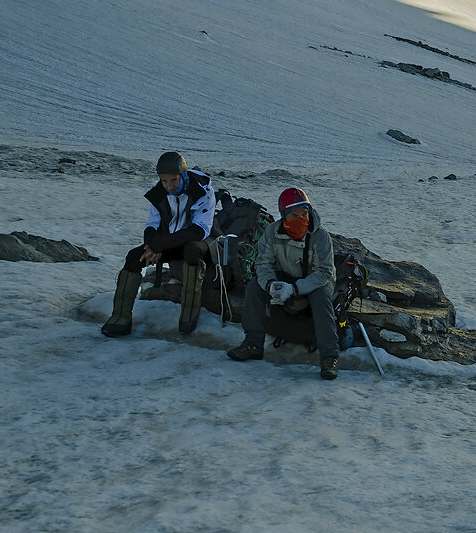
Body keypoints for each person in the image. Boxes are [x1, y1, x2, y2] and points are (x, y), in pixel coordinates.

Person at [226, 187, 340, 380]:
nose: (300, 219)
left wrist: (295, 289)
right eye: (294, 215)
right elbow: (262, 263)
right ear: (284, 216)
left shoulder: (320, 236)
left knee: (321, 296)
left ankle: (329, 356)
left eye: (304, 213)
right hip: (286, 275)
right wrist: (271, 284)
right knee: (255, 286)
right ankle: (253, 343)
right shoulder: (272, 232)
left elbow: (324, 273)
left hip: (317, 281)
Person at [101, 151, 217, 337]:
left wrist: (160, 245)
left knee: (191, 251)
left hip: (200, 242)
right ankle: (120, 318)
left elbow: (199, 230)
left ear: (183, 175)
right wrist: (152, 245)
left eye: (173, 180)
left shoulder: (203, 190)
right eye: (164, 181)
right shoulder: (158, 194)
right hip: (169, 242)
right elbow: (152, 226)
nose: (169, 186)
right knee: (133, 257)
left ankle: (189, 315)